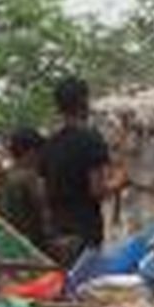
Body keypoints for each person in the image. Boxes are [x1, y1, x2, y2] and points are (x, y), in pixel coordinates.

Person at [45, 76, 121, 255]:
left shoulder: (50, 143)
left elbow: (44, 193)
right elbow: (96, 190)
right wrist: (120, 181)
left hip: (57, 233)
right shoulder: (91, 139)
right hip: (85, 234)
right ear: (83, 101)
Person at [0, 126, 50, 251]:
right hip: (35, 249)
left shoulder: (3, 180)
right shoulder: (29, 178)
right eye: (40, 151)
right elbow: (46, 218)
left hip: (14, 248)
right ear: (31, 152)